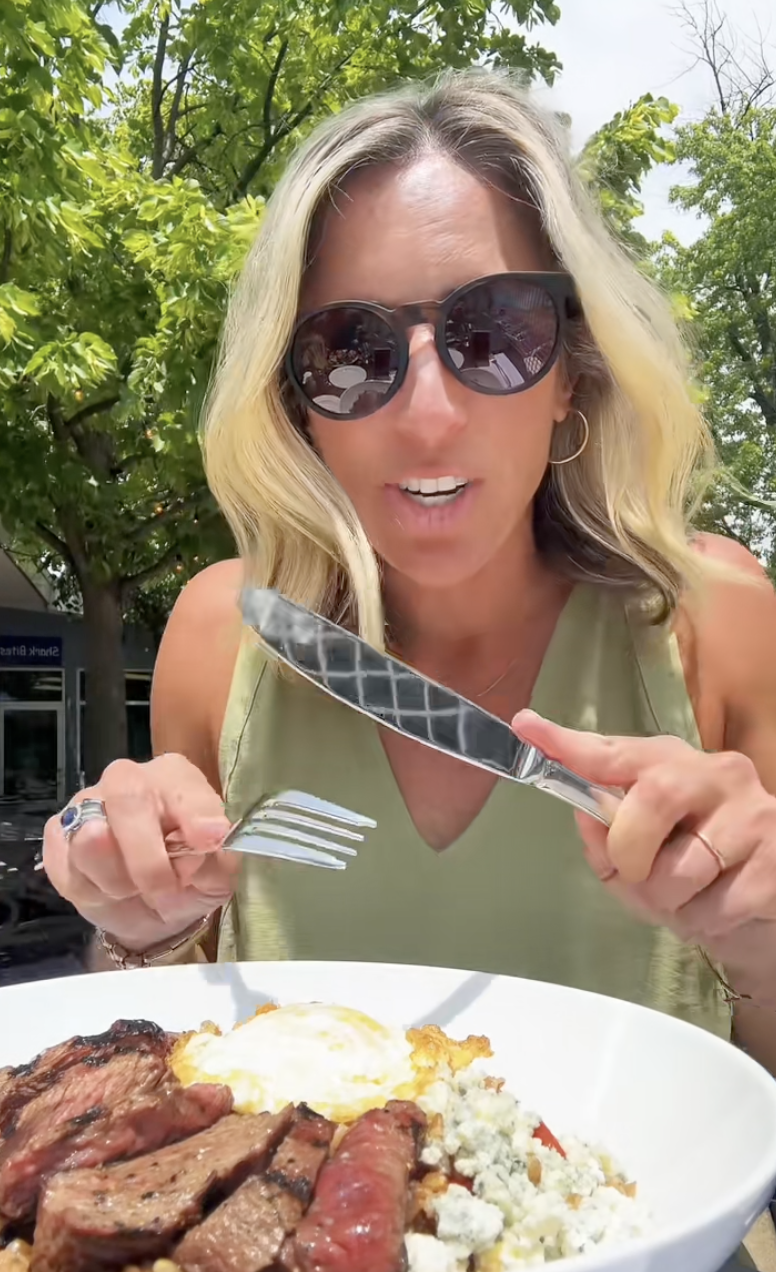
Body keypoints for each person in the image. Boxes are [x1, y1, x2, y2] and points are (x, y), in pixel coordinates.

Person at [43, 69, 776, 1077]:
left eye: (497, 335)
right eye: (350, 351)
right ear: (295, 401)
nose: (427, 416)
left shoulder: (716, 618)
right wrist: (130, 916)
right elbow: (165, 1036)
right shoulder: (225, 636)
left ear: (571, 368)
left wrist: (762, 951)